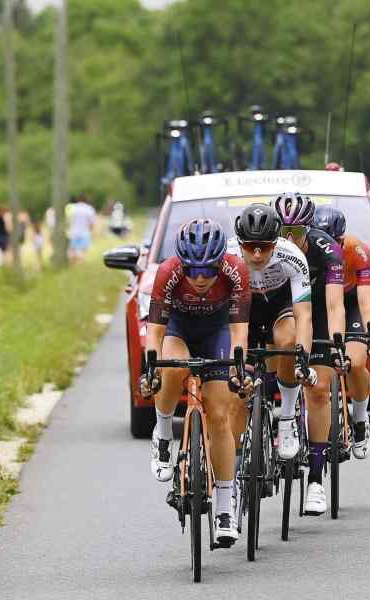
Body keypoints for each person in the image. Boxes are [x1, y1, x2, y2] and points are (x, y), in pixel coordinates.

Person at [139, 218, 251, 544]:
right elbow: (154, 333)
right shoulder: (168, 272)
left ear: (220, 263)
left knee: (219, 415)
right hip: (179, 328)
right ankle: (163, 433)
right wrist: (151, 370)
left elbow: (239, 332)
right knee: (172, 368)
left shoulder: (236, 270)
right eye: (193, 270)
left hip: (218, 330)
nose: (200, 278)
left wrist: (238, 369)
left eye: (208, 271)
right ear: (182, 265)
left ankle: (225, 509)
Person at [274, 192, 348, 516]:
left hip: (316, 310)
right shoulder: (268, 249)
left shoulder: (327, 250)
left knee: (318, 391)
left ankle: (316, 480)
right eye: (283, 232)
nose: (289, 239)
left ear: (309, 229)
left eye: (296, 232)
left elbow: (334, 305)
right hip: (281, 309)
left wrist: (337, 342)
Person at [231, 203, 316, 462]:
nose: (257, 255)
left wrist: (303, 358)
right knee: (234, 376)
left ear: (276, 243)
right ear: (239, 243)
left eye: (265, 247)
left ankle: (287, 417)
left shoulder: (292, 256)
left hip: (278, 304)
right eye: (250, 247)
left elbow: (304, 315)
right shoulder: (227, 255)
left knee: (288, 340)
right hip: (244, 306)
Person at [313, 206, 370, 459]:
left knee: (355, 362)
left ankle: (360, 420)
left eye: (337, 242)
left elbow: (365, 303)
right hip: (321, 304)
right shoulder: (308, 250)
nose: (333, 248)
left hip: (351, 302)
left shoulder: (357, 250)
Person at [67, 195, 97, 262]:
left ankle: (72, 264)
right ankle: (80, 263)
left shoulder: (73, 208)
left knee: (72, 250)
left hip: (73, 232)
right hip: (85, 232)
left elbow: (68, 220)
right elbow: (92, 223)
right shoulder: (89, 209)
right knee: (82, 251)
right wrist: (91, 232)